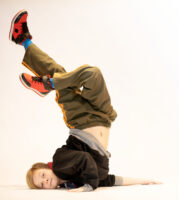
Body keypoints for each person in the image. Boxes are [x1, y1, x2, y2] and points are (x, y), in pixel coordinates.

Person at [10, 9, 162, 192]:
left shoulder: (59, 161)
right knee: (88, 74)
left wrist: (88, 186)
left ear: (46, 167)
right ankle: (35, 58)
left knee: (86, 73)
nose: (45, 182)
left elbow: (86, 160)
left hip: (81, 121)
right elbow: (110, 180)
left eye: (42, 175)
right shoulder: (73, 182)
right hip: (104, 115)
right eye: (41, 185)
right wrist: (144, 181)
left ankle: (46, 76)